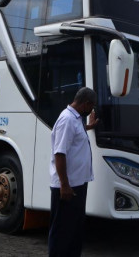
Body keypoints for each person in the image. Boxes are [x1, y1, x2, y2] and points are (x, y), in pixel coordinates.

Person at [48, 87, 99, 256]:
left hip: (77, 185)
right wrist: (64, 185)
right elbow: (60, 153)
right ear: (86, 103)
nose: (91, 110)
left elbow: (75, 134)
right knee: (62, 232)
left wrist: (88, 126)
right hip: (68, 187)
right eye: (91, 107)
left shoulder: (75, 119)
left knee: (74, 231)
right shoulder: (67, 119)